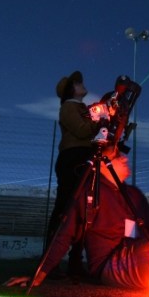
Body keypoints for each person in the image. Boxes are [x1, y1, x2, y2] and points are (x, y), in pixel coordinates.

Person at [7, 151, 149, 295]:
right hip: (111, 265)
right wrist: (39, 274)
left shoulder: (132, 194)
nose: (125, 158)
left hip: (139, 255)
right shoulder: (91, 193)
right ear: (101, 165)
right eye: (118, 156)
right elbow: (64, 234)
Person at [46, 70, 101, 277]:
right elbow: (82, 130)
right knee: (65, 208)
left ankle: (75, 263)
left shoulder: (81, 108)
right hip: (73, 158)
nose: (81, 84)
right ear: (71, 90)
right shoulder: (69, 107)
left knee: (82, 211)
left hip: (82, 156)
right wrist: (99, 120)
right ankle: (50, 262)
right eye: (77, 83)